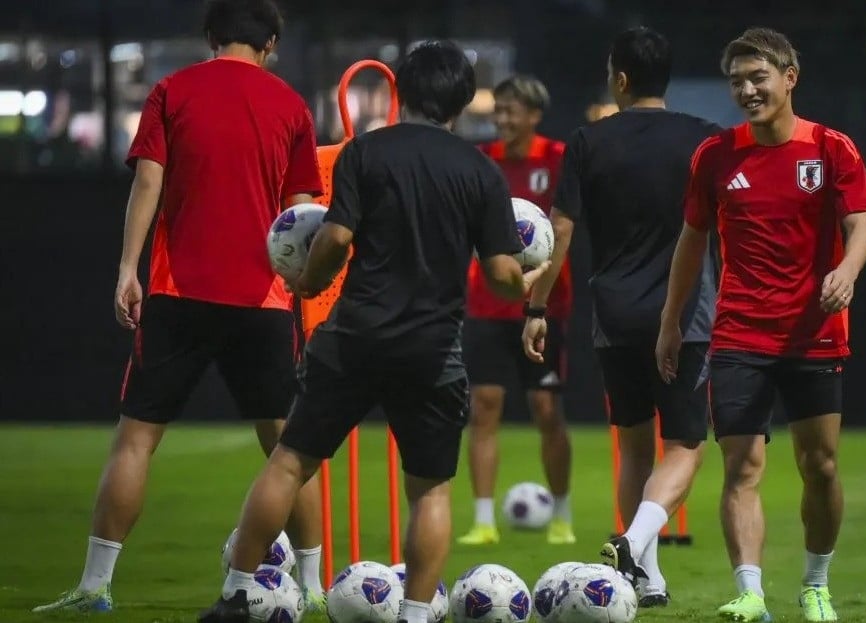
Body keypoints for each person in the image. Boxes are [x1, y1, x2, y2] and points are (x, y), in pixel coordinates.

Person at [197, 40, 549, 623]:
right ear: (462, 103)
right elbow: (501, 276)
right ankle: (413, 615)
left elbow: (334, 240)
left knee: (288, 463)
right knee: (429, 491)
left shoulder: (364, 153)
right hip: (432, 348)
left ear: (400, 93)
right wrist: (530, 282)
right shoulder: (480, 171)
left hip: (353, 336)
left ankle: (237, 594)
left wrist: (307, 285)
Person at [33, 0, 328, 614]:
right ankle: (317, 589)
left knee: (135, 442)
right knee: (290, 450)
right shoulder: (292, 107)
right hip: (265, 299)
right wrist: (305, 281)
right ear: (270, 42)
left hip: (178, 294)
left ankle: (93, 588)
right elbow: (301, 213)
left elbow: (148, 181)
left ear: (211, 36)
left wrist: (126, 269)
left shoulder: (172, 90)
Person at [656, 28, 866, 622]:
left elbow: (862, 227)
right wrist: (670, 321)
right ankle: (751, 593)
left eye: (758, 78)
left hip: (814, 333)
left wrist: (848, 271)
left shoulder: (832, 149)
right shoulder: (715, 155)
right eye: (737, 81)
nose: (748, 90)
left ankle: (815, 584)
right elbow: (690, 241)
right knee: (742, 466)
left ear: (789, 78)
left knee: (821, 465)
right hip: (739, 334)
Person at [522, 27, 721, 607]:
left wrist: (536, 308)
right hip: (685, 316)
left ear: (622, 79)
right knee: (685, 444)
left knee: (633, 445)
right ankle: (633, 544)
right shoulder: (704, 141)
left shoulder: (587, 141)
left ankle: (646, 577)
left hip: (614, 315)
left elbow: (559, 229)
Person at [458, 75, 577, 546]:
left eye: (512, 111)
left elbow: (566, 228)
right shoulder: (482, 162)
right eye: (498, 111)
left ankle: (562, 515)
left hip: (546, 304)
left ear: (534, 114)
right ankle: (484, 520)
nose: (503, 120)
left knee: (547, 410)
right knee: (483, 409)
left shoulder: (558, 158)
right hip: (487, 303)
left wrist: (541, 296)